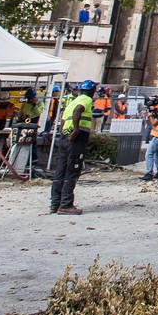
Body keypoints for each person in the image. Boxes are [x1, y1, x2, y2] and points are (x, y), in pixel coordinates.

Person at [48, 80, 97, 215]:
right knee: (72, 171)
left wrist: (64, 132)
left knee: (61, 171)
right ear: (92, 91)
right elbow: (78, 111)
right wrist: (75, 130)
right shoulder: (85, 100)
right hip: (77, 139)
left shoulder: (72, 101)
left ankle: (55, 204)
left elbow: (63, 120)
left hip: (65, 138)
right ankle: (66, 204)